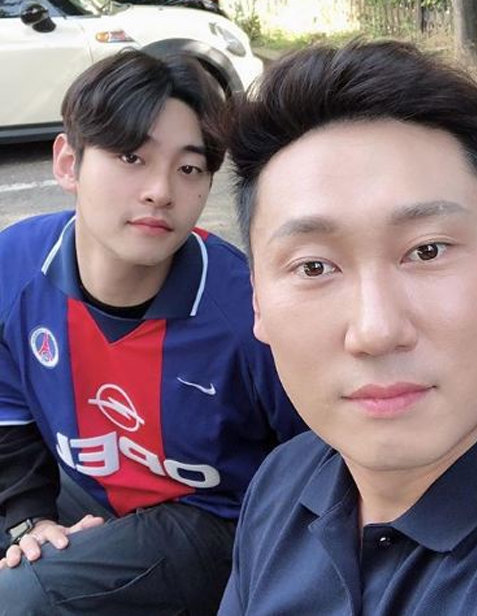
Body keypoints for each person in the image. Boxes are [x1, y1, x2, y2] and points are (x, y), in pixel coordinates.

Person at [218, 39, 477, 615]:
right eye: (314, 267)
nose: (376, 330)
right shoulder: (280, 484)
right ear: (257, 300)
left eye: (427, 251)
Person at [0, 49, 305, 615]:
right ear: (68, 163)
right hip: (92, 491)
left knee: (25, 597)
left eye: (189, 168)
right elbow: (9, 412)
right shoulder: (15, 266)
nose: (160, 191)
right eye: (131, 157)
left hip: (217, 519)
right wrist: (29, 521)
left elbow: (321, 459)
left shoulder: (249, 311)